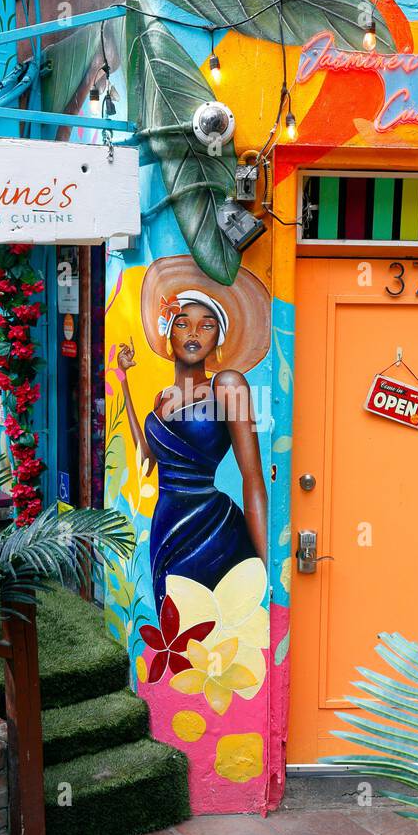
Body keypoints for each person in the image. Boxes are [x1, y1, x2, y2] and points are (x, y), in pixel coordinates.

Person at [116, 256, 271, 619]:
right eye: (183, 323)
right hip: (166, 526)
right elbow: (147, 459)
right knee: (174, 633)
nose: (193, 333)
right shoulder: (162, 399)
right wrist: (123, 382)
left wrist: (267, 565)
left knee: (212, 631)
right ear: (169, 332)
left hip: (213, 528)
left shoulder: (227, 385)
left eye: (207, 325)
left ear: (219, 337)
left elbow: (252, 477)